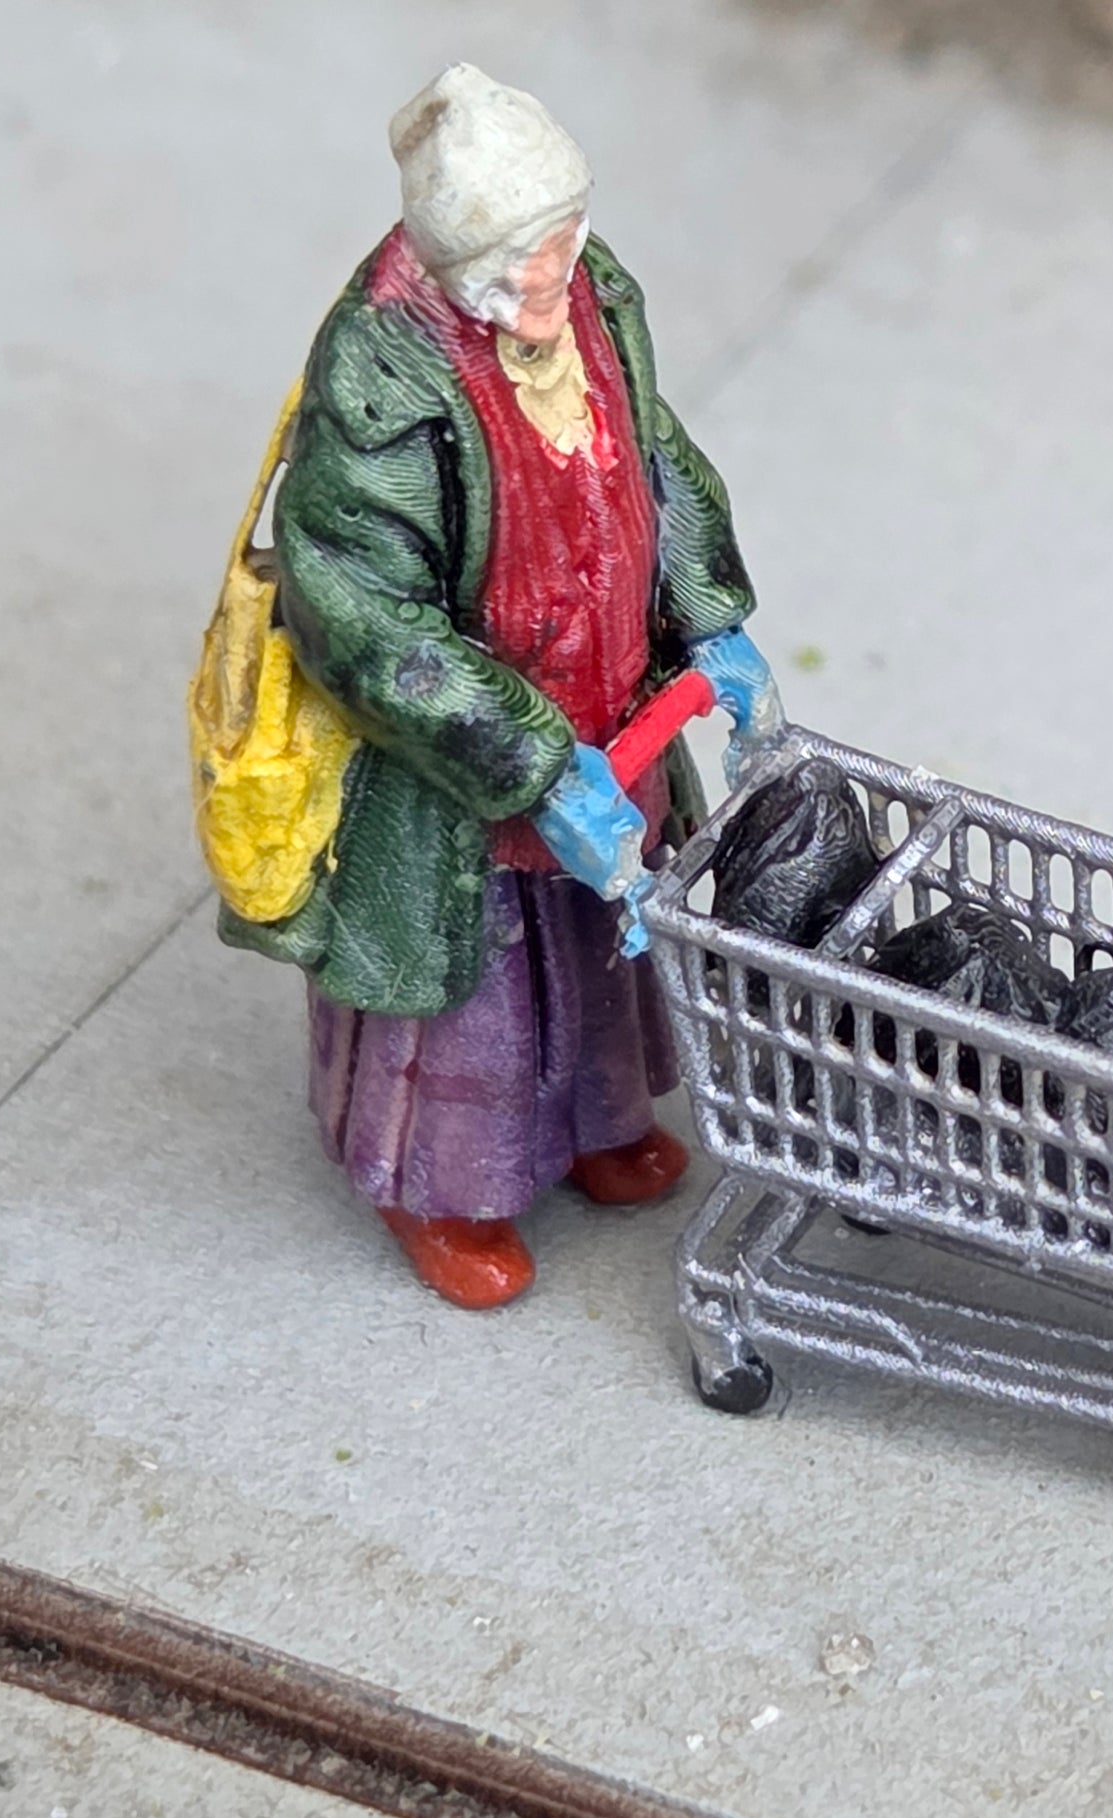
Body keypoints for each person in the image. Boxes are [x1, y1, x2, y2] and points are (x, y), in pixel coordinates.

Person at [218, 63, 782, 1308]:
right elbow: (361, 616)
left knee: (601, 935)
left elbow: (654, 451)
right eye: (521, 270)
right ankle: (439, 1187)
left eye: (562, 248)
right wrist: (526, 758)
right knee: (470, 985)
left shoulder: (590, 293)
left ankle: (595, 1120)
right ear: (452, 265)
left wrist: (711, 614)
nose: (550, 286)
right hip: (453, 764)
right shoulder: (379, 373)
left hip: (612, 701)